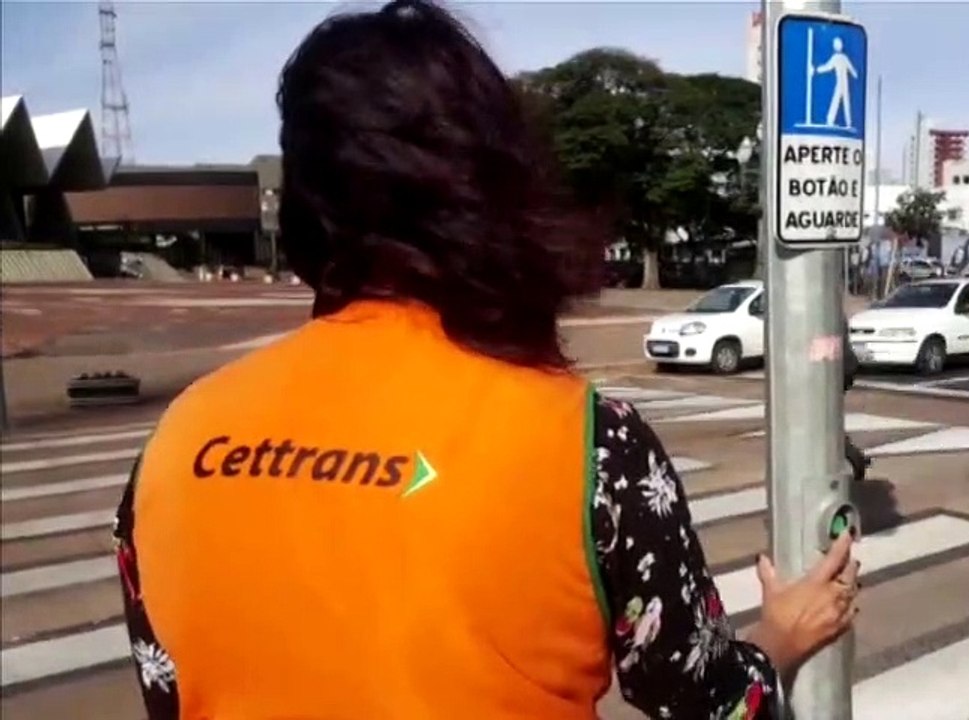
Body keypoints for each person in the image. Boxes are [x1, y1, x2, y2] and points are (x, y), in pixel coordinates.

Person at [111, 2, 861, 719]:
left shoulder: (174, 444)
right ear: (494, 188)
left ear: (305, 209)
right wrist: (779, 640)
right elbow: (711, 702)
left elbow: (169, 691)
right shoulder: (594, 447)